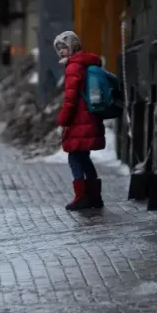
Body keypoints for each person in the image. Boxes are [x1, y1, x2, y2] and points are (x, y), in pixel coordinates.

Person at [54, 31, 105, 211]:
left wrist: (63, 121)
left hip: (78, 120)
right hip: (88, 118)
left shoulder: (73, 67)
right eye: (58, 49)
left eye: (64, 47)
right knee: (83, 157)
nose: (61, 52)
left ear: (73, 46)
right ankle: (94, 196)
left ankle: (81, 196)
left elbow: (70, 99)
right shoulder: (85, 62)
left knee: (74, 157)